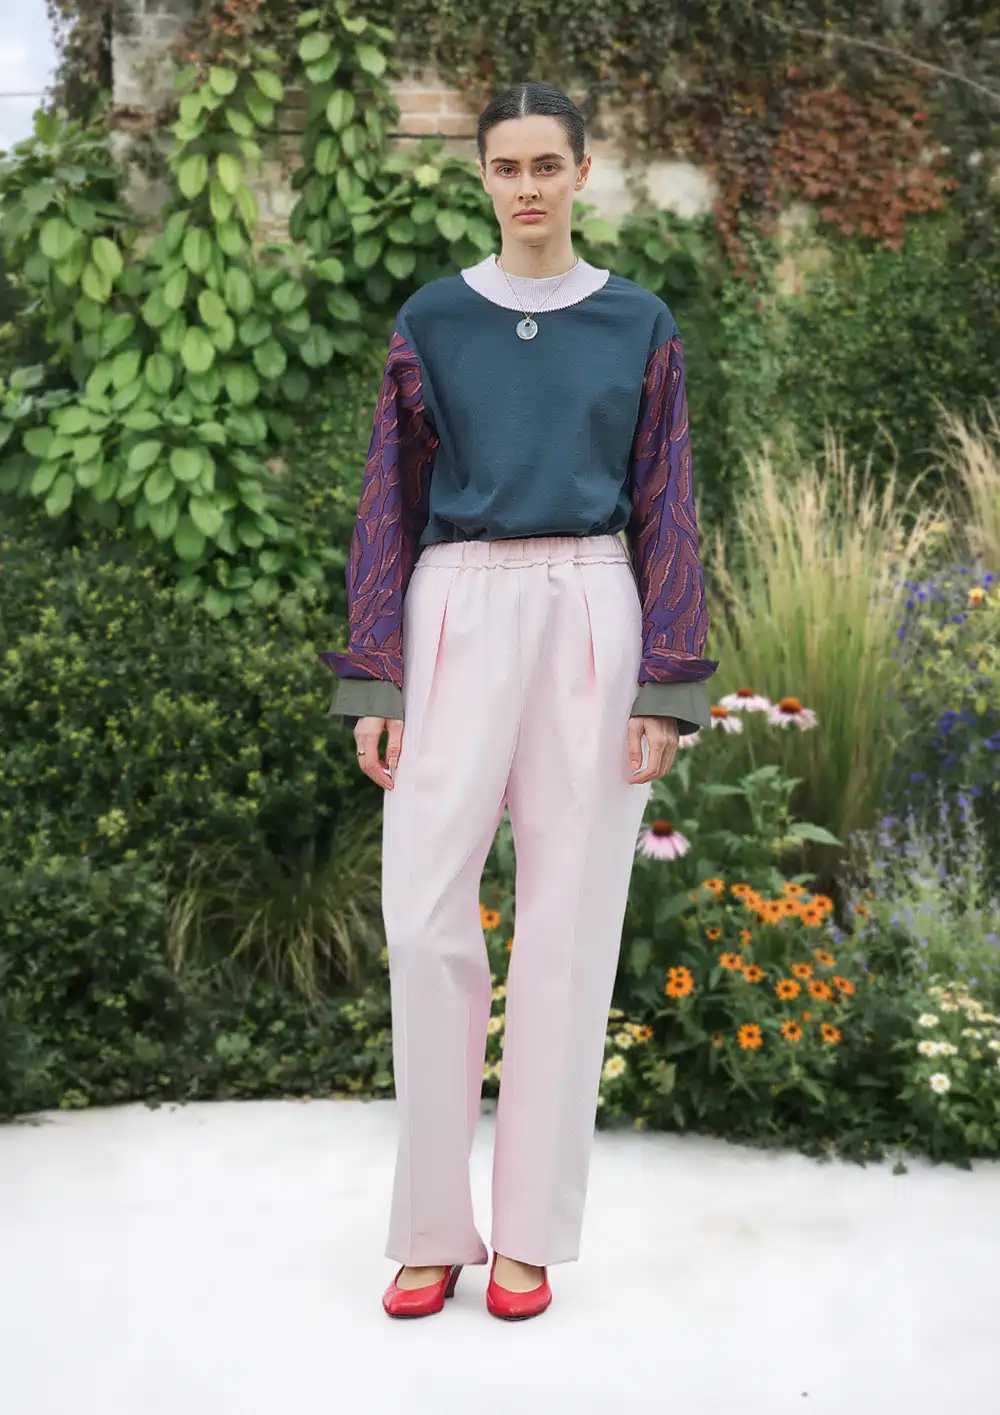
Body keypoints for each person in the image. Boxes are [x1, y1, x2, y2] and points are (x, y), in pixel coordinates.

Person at [318, 81, 718, 1321]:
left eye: (548, 164)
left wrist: (667, 680)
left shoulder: (637, 320)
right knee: (423, 912)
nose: (527, 186)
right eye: (507, 166)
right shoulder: (432, 319)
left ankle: (530, 1232)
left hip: (591, 600)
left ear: (582, 172)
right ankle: (432, 1226)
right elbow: (389, 493)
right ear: (482, 178)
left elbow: (668, 499)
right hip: (454, 604)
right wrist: (375, 672)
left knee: (567, 924)